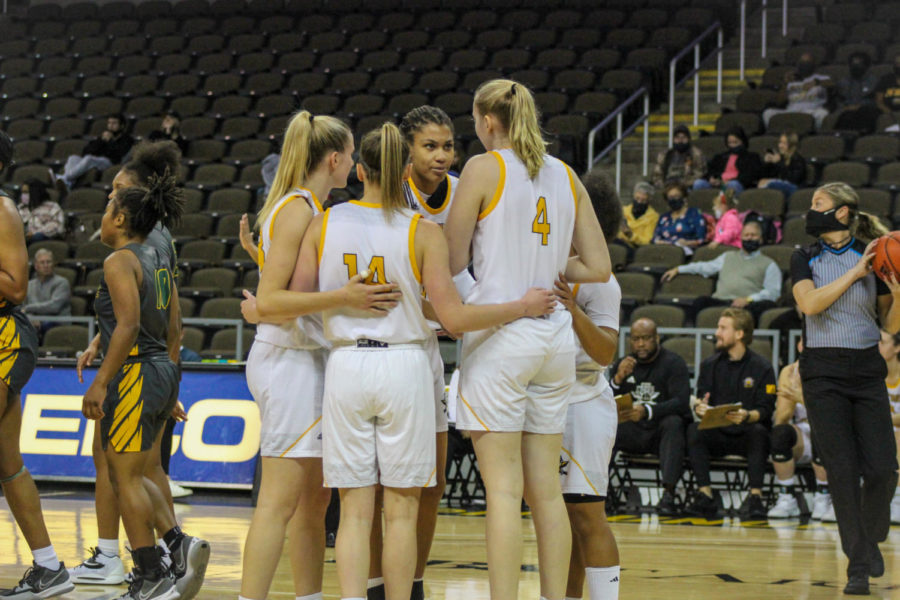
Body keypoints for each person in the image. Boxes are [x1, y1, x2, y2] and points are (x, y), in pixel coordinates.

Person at [293, 121, 557, 600]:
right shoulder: (423, 231)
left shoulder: (323, 222)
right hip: (406, 365)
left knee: (353, 511)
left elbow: (297, 300)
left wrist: (342, 300)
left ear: (360, 168)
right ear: (403, 171)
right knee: (402, 511)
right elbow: (454, 318)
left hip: (347, 363)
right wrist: (521, 306)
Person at [444, 79, 610, 600]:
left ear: (489, 121)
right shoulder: (565, 174)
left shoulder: (482, 167)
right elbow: (600, 266)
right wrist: (549, 261)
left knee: (503, 493)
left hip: (503, 336)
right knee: (546, 494)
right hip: (555, 340)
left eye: (474, 121)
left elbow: (450, 262)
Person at [236, 111, 399, 600]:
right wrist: (343, 299)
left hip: (303, 360)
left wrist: (260, 258)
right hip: (290, 364)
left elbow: (280, 286)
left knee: (313, 504)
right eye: (350, 154)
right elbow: (270, 303)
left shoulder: (301, 206)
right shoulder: (299, 210)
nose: (353, 163)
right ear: (334, 159)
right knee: (278, 503)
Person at [70, 141, 202, 591]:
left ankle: (152, 565)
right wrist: (168, 380)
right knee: (140, 468)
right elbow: (165, 315)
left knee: (124, 471)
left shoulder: (121, 257)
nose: (107, 203)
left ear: (126, 213)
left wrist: (101, 381)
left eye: (113, 198)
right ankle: (170, 548)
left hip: (138, 369)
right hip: (159, 367)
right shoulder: (156, 247)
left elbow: (129, 323)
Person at [363, 105, 458, 600]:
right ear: (406, 150)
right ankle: (381, 584)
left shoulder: (465, 192)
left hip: (426, 351)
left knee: (432, 483)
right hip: (385, 345)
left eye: (447, 146)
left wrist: (454, 307)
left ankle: (414, 582)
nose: (441, 156)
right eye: (430, 146)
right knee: (382, 489)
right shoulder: (386, 192)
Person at [790, 181, 898, 595]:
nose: (809, 209)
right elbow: (810, 304)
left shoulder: (876, 257)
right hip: (822, 370)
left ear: (840, 212)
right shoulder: (805, 256)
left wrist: (897, 291)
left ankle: (868, 540)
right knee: (842, 470)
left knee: (883, 468)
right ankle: (857, 564)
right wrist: (856, 274)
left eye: (817, 203)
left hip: (867, 366)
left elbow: (890, 326)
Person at [0, 132, 74, 599]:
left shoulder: (2, 209)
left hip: (4, 336)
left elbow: (16, 286)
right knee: (9, 466)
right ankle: (49, 567)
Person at [551, 172, 622, 600]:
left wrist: (574, 310)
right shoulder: (547, 262)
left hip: (585, 398)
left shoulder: (602, 281)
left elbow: (606, 353)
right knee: (562, 516)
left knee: (588, 515)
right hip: (546, 397)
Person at [685, 308, 776, 520]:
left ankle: (755, 498)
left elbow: (766, 408)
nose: (717, 333)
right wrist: (700, 407)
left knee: (759, 432)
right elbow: (701, 397)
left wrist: (746, 415)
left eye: (723, 328)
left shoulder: (762, 367)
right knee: (693, 430)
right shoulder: (709, 365)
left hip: (746, 433)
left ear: (739, 334)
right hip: (718, 433)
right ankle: (705, 494)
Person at [609, 317, 691, 515]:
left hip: (659, 433)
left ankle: (668, 494)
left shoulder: (674, 363)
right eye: (635, 339)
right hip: (632, 431)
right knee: (606, 425)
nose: (640, 344)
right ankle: (600, 492)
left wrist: (647, 411)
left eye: (646, 338)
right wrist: (617, 379)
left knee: (674, 423)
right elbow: (606, 401)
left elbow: (681, 401)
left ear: (657, 338)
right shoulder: (624, 364)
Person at [662, 219, 782, 324]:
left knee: (766, 306)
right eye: (746, 235)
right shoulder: (727, 256)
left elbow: (773, 292)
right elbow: (704, 267)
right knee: (700, 302)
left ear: (760, 239)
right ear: (741, 238)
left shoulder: (769, 264)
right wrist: (679, 269)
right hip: (722, 301)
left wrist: (748, 299)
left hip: (748, 304)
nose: (749, 238)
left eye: (753, 235)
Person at [766, 340, 833, 520]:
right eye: (804, 342)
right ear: (799, 346)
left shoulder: (834, 370)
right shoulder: (790, 371)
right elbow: (781, 418)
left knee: (823, 429)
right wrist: (790, 395)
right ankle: (786, 497)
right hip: (803, 432)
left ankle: (824, 496)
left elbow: (831, 415)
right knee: (780, 433)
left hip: (833, 432)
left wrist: (800, 396)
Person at [53, 114, 134, 191]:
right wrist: (101, 140)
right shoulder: (104, 136)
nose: (111, 126)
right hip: (96, 160)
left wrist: (110, 141)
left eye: (114, 123)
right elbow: (86, 151)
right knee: (73, 158)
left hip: (111, 162)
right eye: (109, 123)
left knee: (89, 159)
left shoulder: (127, 139)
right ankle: (68, 182)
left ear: (122, 126)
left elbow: (118, 155)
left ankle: (65, 178)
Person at [762, 52, 832, 129]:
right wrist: (785, 83)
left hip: (811, 111)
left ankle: (815, 137)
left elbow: (831, 84)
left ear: (814, 65)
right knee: (768, 113)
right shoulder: (791, 79)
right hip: (791, 111)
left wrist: (816, 82)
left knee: (822, 114)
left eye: (807, 63)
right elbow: (779, 101)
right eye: (802, 63)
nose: (804, 66)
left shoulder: (822, 78)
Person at [692, 127, 761, 196]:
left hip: (737, 183)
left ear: (742, 141)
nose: (732, 145)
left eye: (735, 142)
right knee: (699, 183)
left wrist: (729, 181)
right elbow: (711, 171)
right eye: (730, 143)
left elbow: (750, 176)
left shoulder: (751, 157)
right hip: (719, 183)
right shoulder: (720, 157)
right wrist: (711, 178)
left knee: (733, 184)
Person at [877, 329, 900, 525]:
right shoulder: (871, 377)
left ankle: (898, 499)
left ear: (897, 347)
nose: (877, 346)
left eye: (883, 342)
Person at [22, 249, 71, 331]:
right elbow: (22, 308)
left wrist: (28, 308)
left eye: (49, 262)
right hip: (35, 323)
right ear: (36, 266)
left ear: (53, 264)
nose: (46, 265)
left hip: (57, 324)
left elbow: (54, 307)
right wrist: (31, 319)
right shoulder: (30, 285)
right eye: (42, 262)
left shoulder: (62, 282)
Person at [652, 181, 706, 255]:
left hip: (685, 252)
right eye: (670, 197)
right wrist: (662, 243)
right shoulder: (664, 217)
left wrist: (687, 242)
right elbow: (655, 238)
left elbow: (701, 239)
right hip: (664, 251)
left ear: (683, 197)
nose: (673, 199)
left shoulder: (694, 213)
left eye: (677, 196)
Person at [834, 51, 881, 134]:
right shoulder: (844, 81)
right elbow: (839, 98)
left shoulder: (873, 81)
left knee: (865, 114)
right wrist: (845, 107)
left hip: (866, 110)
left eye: (859, 64)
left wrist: (858, 106)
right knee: (844, 117)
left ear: (866, 66)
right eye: (853, 64)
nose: (855, 67)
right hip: (847, 109)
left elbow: (875, 100)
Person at [651, 124, 706, 190]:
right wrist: (664, 186)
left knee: (699, 183)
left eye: (683, 138)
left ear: (688, 139)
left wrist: (682, 185)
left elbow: (699, 174)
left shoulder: (696, 154)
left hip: (687, 186)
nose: (680, 140)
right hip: (668, 185)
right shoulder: (664, 155)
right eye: (677, 138)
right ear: (673, 140)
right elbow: (657, 175)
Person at [758, 132, 806, 199]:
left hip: (795, 189)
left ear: (792, 145)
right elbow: (768, 176)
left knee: (771, 184)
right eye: (780, 142)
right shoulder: (781, 158)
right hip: (781, 187)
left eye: (784, 143)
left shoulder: (798, 159)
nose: (780, 146)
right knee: (762, 182)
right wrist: (767, 163)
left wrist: (779, 163)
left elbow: (793, 179)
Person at [617, 181, 659, 252]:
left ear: (649, 200)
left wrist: (631, 235)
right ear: (633, 196)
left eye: (643, 200)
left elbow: (647, 241)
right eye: (637, 199)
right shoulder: (623, 211)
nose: (639, 202)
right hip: (618, 243)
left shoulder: (653, 216)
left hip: (636, 249)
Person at [875, 54, 900, 131]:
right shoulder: (886, 79)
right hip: (887, 113)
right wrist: (889, 113)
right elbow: (879, 101)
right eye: (897, 64)